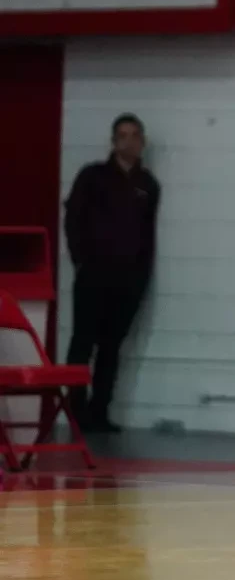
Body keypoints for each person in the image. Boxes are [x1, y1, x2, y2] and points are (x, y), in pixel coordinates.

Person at [63, 113, 161, 434]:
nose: (128, 141)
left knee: (111, 346)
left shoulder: (148, 185)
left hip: (129, 280)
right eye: (122, 135)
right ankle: (76, 412)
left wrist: (142, 276)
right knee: (82, 343)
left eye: (134, 135)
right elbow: (73, 219)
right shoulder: (92, 177)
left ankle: (99, 412)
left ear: (142, 142)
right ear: (113, 141)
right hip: (93, 275)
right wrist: (81, 261)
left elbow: (148, 235)